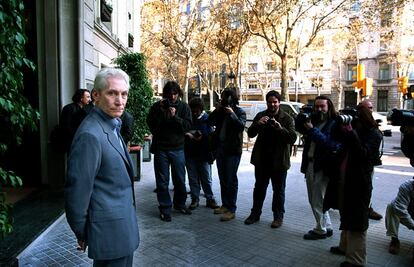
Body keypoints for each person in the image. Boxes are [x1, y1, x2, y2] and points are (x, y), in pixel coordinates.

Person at [65, 68, 139, 266]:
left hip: (121, 230)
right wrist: (83, 232)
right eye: (112, 93)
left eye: (124, 94)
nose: (120, 101)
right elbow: (77, 191)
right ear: (95, 95)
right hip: (108, 234)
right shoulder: (91, 134)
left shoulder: (112, 124)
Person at [326, 105, 381, 267]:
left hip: (359, 184)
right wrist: (340, 127)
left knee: (357, 220)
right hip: (343, 180)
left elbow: (364, 155)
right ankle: (344, 247)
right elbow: (334, 139)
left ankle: (356, 260)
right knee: (346, 214)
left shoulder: (374, 134)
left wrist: (352, 134)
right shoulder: (352, 130)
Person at [244, 90, 297, 228]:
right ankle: (255, 214)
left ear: (279, 102)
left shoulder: (287, 118)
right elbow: (250, 134)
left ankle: (278, 217)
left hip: (279, 161)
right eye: (270, 102)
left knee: (278, 191)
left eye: (275, 102)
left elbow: (292, 138)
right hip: (262, 160)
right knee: (259, 188)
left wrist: (280, 129)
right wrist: (258, 124)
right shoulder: (261, 115)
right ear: (266, 102)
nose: (272, 104)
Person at [146, 81, 192, 222]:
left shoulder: (184, 107)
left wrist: (175, 117)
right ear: (165, 94)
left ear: (178, 93)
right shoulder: (157, 107)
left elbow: (187, 126)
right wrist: (161, 112)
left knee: (179, 179)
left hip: (178, 148)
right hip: (161, 149)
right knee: (162, 181)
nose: (172, 97)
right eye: (169, 94)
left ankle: (180, 204)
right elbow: (152, 126)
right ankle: (165, 208)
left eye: (175, 94)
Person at [300, 95, 341, 240]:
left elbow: (332, 145)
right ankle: (326, 226)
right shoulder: (315, 121)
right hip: (311, 163)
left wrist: (312, 130)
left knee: (316, 199)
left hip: (322, 167)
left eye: (322, 106)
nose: (319, 109)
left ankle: (320, 229)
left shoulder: (335, 123)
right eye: (316, 106)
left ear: (329, 107)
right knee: (317, 199)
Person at [208, 89, 246, 221]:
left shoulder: (239, 112)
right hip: (220, 149)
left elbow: (241, 127)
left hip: (233, 151)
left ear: (233, 100)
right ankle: (225, 205)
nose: (226, 102)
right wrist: (217, 110)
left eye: (228, 99)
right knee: (223, 178)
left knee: (231, 179)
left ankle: (232, 209)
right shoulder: (220, 112)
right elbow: (209, 122)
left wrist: (232, 115)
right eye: (224, 99)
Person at [185, 97, 219, 210]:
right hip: (190, 154)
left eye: (196, 111)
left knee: (206, 179)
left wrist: (201, 137)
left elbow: (211, 136)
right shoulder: (189, 119)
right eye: (193, 110)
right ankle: (195, 199)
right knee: (192, 178)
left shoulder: (207, 119)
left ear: (201, 109)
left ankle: (210, 198)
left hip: (204, 154)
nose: (194, 113)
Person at [386, 125, 414, 256]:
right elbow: (408, 151)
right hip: (411, 211)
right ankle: (394, 238)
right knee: (392, 206)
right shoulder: (408, 186)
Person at [359, 99, 383, 220]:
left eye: (371, 108)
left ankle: (367, 208)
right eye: (366, 108)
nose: (369, 110)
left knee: (367, 187)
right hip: (355, 163)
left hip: (368, 164)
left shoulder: (372, 126)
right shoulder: (356, 123)